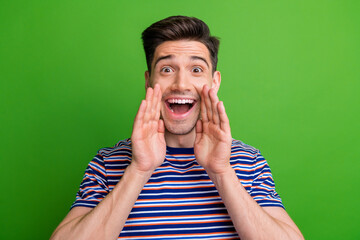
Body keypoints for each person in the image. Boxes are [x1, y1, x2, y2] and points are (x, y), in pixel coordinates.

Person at [51, 16, 303, 240]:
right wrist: (139, 170)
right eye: (167, 69)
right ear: (149, 81)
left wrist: (222, 172)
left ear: (214, 82)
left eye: (196, 69)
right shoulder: (108, 163)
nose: (181, 83)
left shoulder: (249, 161)